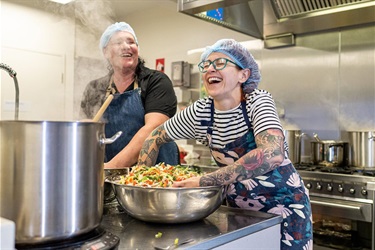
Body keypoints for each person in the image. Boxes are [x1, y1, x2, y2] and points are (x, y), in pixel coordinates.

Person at [137, 39, 313, 250]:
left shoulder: (257, 101)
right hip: (240, 214)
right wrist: (141, 182)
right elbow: (155, 137)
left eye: (220, 63)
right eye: (206, 65)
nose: (210, 68)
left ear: (243, 75)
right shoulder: (201, 111)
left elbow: (272, 153)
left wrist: (204, 181)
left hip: (284, 210)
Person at [80, 22, 179, 169]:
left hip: (155, 174)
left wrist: (110, 168)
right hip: (109, 174)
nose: (126, 46)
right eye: (118, 42)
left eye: (131, 42)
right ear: (106, 52)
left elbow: (153, 129)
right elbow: (86, 132)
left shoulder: (156, 81)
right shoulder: (94, 88)